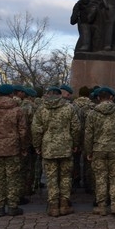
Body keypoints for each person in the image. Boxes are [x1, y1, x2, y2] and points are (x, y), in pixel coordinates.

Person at [32, 86, 81, 217]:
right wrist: (75, 144)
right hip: (65, 147)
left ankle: (53, 205)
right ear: (60, 96)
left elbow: (36, 130)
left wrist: (37, 146)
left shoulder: (41, 109)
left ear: (47, 95)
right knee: (65, 177)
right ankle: (64, 204)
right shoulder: (69, 108)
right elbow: (76, 128)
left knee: (51, 177)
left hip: (48, 148)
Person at [0, 84, 30, 217]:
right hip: (13, 148)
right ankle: (13, 206)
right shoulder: (17, 110)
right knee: (13, 177)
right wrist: (24, 147)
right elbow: (23, 131)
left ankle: (0, 206)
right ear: (11, 94)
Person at [84, 87, 115, 215]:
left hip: (98, 149)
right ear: (111, 97)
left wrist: (89, 151)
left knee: (100, 178)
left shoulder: (92, 113)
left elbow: (88, 135)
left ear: (98, 98)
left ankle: (102, 206)